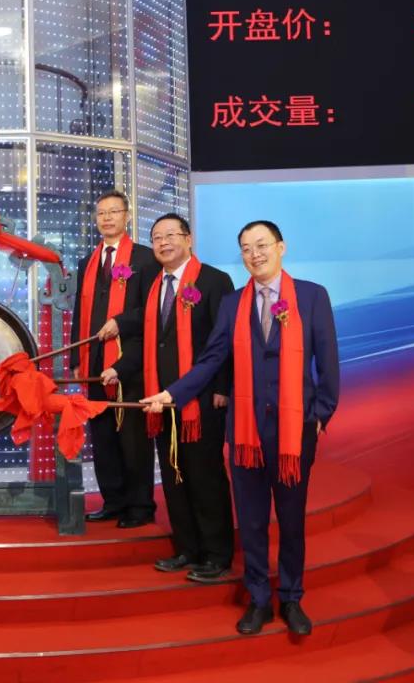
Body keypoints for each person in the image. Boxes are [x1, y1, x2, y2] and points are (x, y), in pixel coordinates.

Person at [141, 220, 339, 636]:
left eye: (261, 245)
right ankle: (259, 599)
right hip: (246, 431)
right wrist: (173, 394)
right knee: (250, 521)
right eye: (246, 249)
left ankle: (292, 597)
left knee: (291, 520)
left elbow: (327, 361)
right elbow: (211, 359)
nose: (254, 255)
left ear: (281, 247)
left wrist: (320, 412)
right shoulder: (233, 304)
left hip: (293, 431)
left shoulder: (311, 296)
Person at [105, 213, 235, 583]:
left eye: (171, 235)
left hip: (201, 400)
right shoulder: (154, 285)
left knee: (205, 477)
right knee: (174, 477)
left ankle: (216, 554)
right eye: (157, 237)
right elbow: (149, 341)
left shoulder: (213, 281)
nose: (163, 243)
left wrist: (223, 388)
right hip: (159, 401)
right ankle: (187, 548)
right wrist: (119, 368)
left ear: (188, 239)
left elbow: (224, 341)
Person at [69, 190, 158, 528]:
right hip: (93, 361)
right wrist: (77, 357)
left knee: (132, 438)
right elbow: (80, 313)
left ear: (127, 216)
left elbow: (151, 310)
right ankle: (114, 501)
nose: (107, 218)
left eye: (114, 212)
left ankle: (140, 506)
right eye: (101, 213)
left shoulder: (144, 259)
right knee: (103, 436)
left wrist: (121, 322)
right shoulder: (87, 262)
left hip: (129, 360)